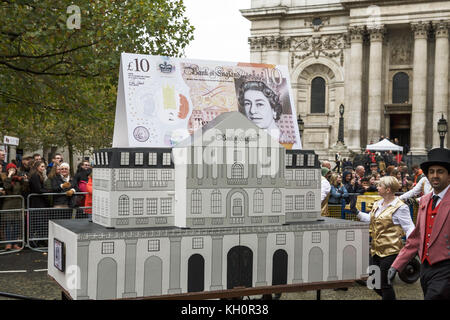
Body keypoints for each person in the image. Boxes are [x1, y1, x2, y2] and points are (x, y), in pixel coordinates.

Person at [388, 148, 450, 300]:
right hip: (425, 268)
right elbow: (416, 238)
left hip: (446, 268)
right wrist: (397, 264)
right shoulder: (424, 201)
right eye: (431, 171)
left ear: (449, 176)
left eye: (440, 171)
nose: (435, 175)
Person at [355, 176, 415, 300]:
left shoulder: (400, 207)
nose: (377, 187)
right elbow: (371, 219)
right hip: (376, 250)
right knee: (373, 282)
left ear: (388, 189)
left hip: (391, 251)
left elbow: (409, 228)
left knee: (385, 284)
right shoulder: (378, 203)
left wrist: (411, 248)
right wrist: (356, 212)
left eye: (380, 185)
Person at [1, 163, 28, 250]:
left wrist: (25, 180)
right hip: (8, 204)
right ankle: (8, 244)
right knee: (8, 225)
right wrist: (9, 176)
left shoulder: (18, 180)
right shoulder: (6, 178)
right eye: (10, 169)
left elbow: (25, 189)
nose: (12, 170)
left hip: (18, 203)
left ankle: (15, 243)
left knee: (17, 225)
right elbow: (7, 187)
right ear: (7, 170)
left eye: (13, 168)